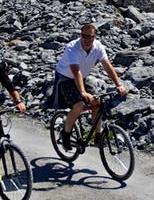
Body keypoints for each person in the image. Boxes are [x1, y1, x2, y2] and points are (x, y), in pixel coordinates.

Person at [54, 23, 127, 154]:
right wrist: (82, 92)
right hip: (65, 77)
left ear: (95, 36)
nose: (87, 40)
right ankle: (65, 134)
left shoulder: (98, 47)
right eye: (84, 36)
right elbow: (76, 72)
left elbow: (107, 66)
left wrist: (118, 84)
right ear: (80, 35)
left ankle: (98, 137)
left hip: (82, 77)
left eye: (90, 37)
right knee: (78, 105)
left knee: (97, 103)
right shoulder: (72, 47)